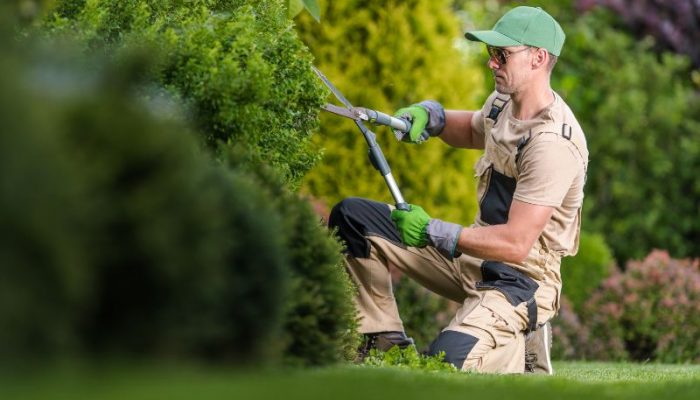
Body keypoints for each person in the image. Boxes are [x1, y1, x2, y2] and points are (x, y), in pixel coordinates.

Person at [328, 6, 588, 374]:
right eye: (490, 54)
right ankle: (381, 339)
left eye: (502, 55)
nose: (491, 63)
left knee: (445, 364)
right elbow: (469, 129)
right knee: (353, 218)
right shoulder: (503, 105)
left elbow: (516, 243)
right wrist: (430, 117)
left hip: (520, 281)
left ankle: (521, 344)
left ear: (538, 58)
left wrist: (432, 230)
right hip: (473, 260)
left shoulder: (552, 144)